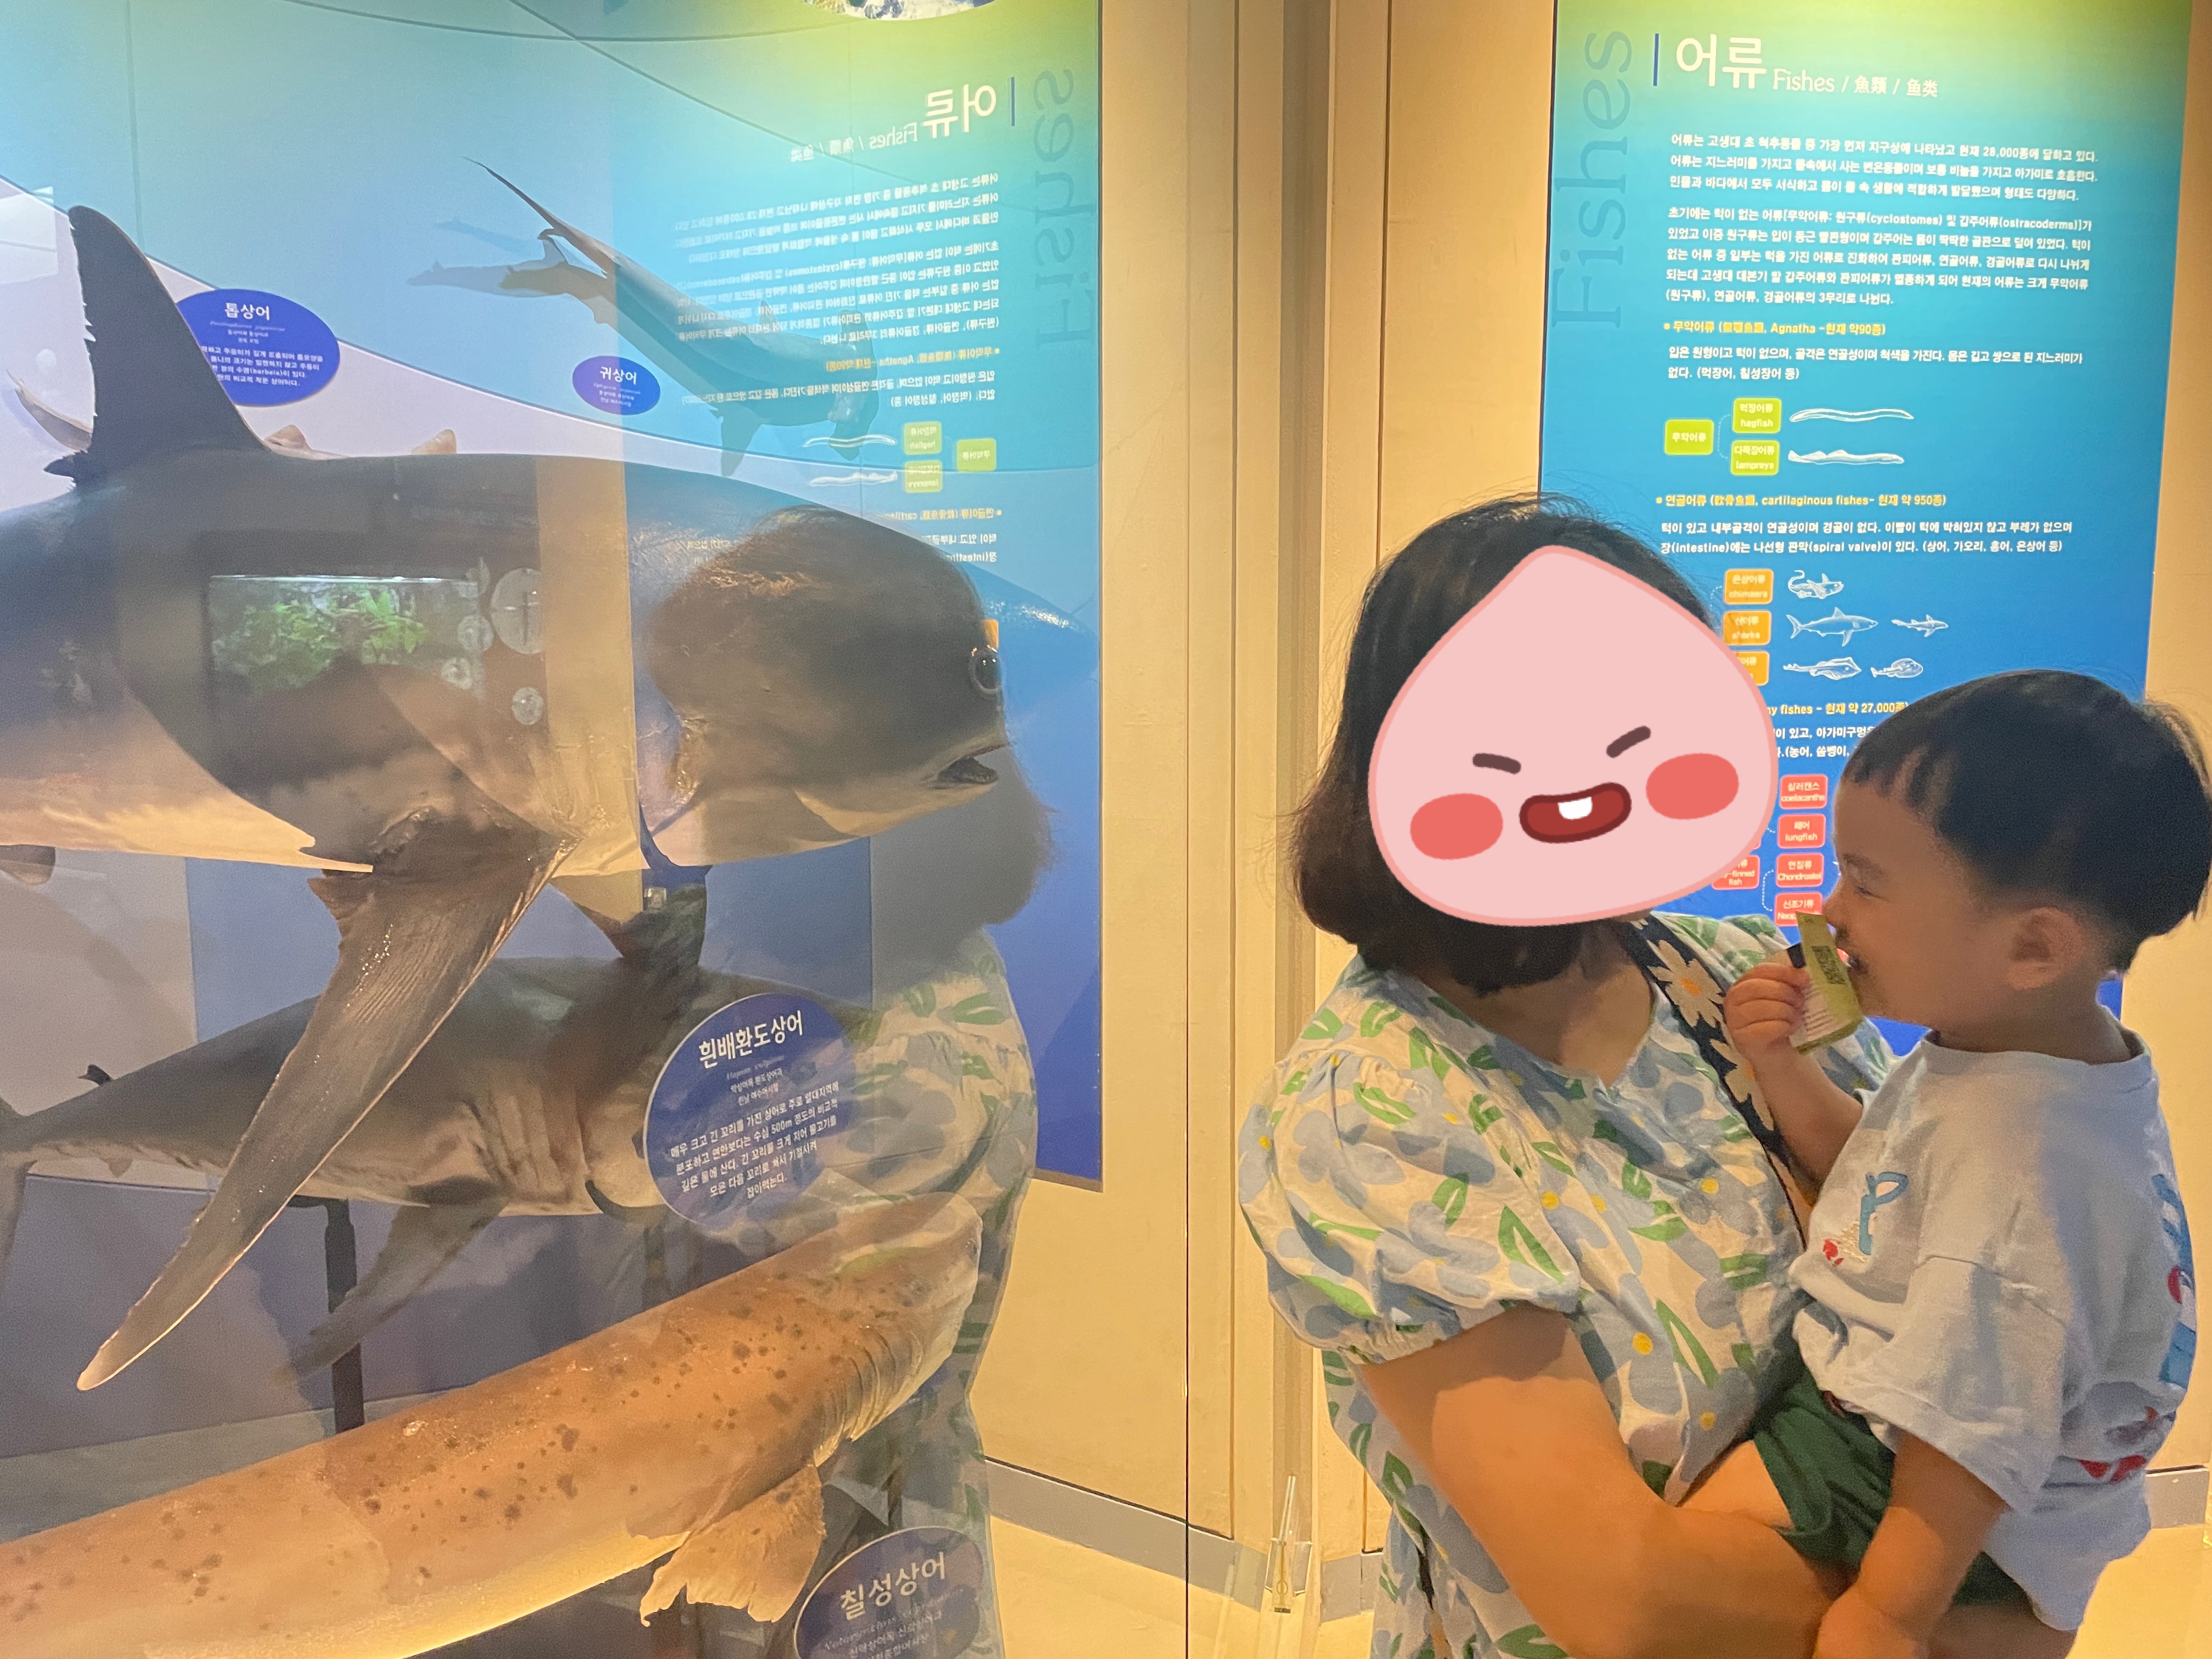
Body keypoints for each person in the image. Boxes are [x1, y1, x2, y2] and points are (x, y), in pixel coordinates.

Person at [1237, 494, 2064, 1658]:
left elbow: (1948, 1256)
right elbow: (1625, 1603)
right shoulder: (1373, 1107)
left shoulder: (1745, 977)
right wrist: (1974, 1608)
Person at [1689, 672, 2207, 1657]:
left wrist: (1887, 1616)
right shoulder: (2027, 1054)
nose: (1832, 913)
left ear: (2034, 947)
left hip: (1920, 1478)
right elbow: (1886, 1195)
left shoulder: (2022, 1159)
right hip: (1953, 1455)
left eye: (1867, 882)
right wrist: (1783, 1068)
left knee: (1662, 1580)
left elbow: (1973, 1424)